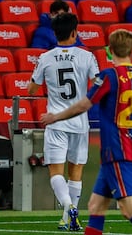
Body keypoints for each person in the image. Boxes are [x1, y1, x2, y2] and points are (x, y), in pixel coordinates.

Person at [41, 29, 132, 235]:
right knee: (95, 207)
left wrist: (55, 116)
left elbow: (84, 105)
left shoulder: (110, 75)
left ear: (109, 51)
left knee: (130, 209)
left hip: (117, 150)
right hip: (121, 149)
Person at [27, 13, 100, 231]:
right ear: (75, 32)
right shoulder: (87, 56)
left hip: (56, 121)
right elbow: (97, 84)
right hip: (79, 121)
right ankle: (70, 215)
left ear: (54, 33)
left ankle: (68, 209)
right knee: (75, 172)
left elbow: (31, 89)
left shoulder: (45, 57)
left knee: (55, 172)